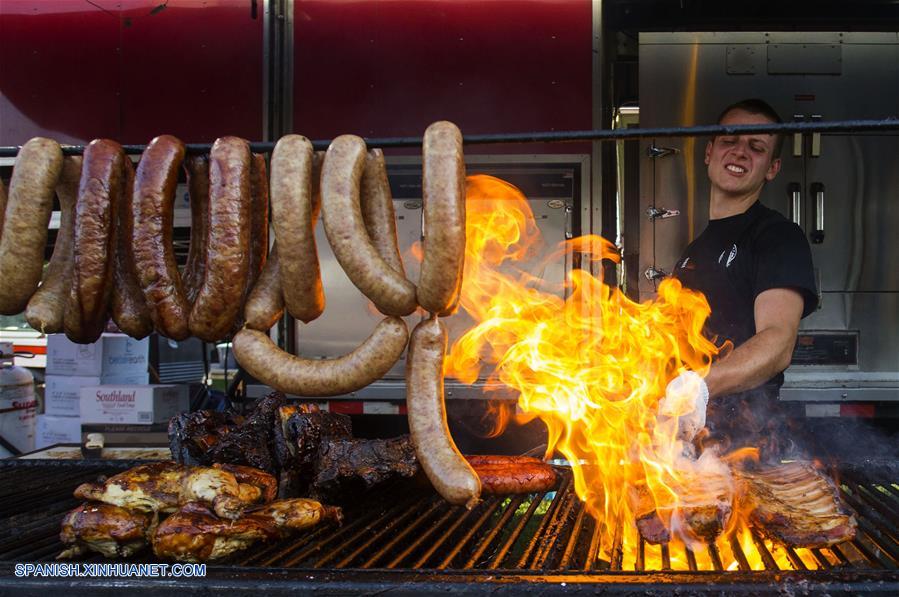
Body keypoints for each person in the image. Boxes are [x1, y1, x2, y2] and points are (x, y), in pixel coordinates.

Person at [660, 98, 818, 459]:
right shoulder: (694, 251)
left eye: (756, 147)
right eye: (730, 139)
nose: (741, 152)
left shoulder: (777, 237)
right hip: (689, 441)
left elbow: (778, 342)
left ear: (772, 168)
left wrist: (698, 387)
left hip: (745, 444)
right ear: (709, 151)